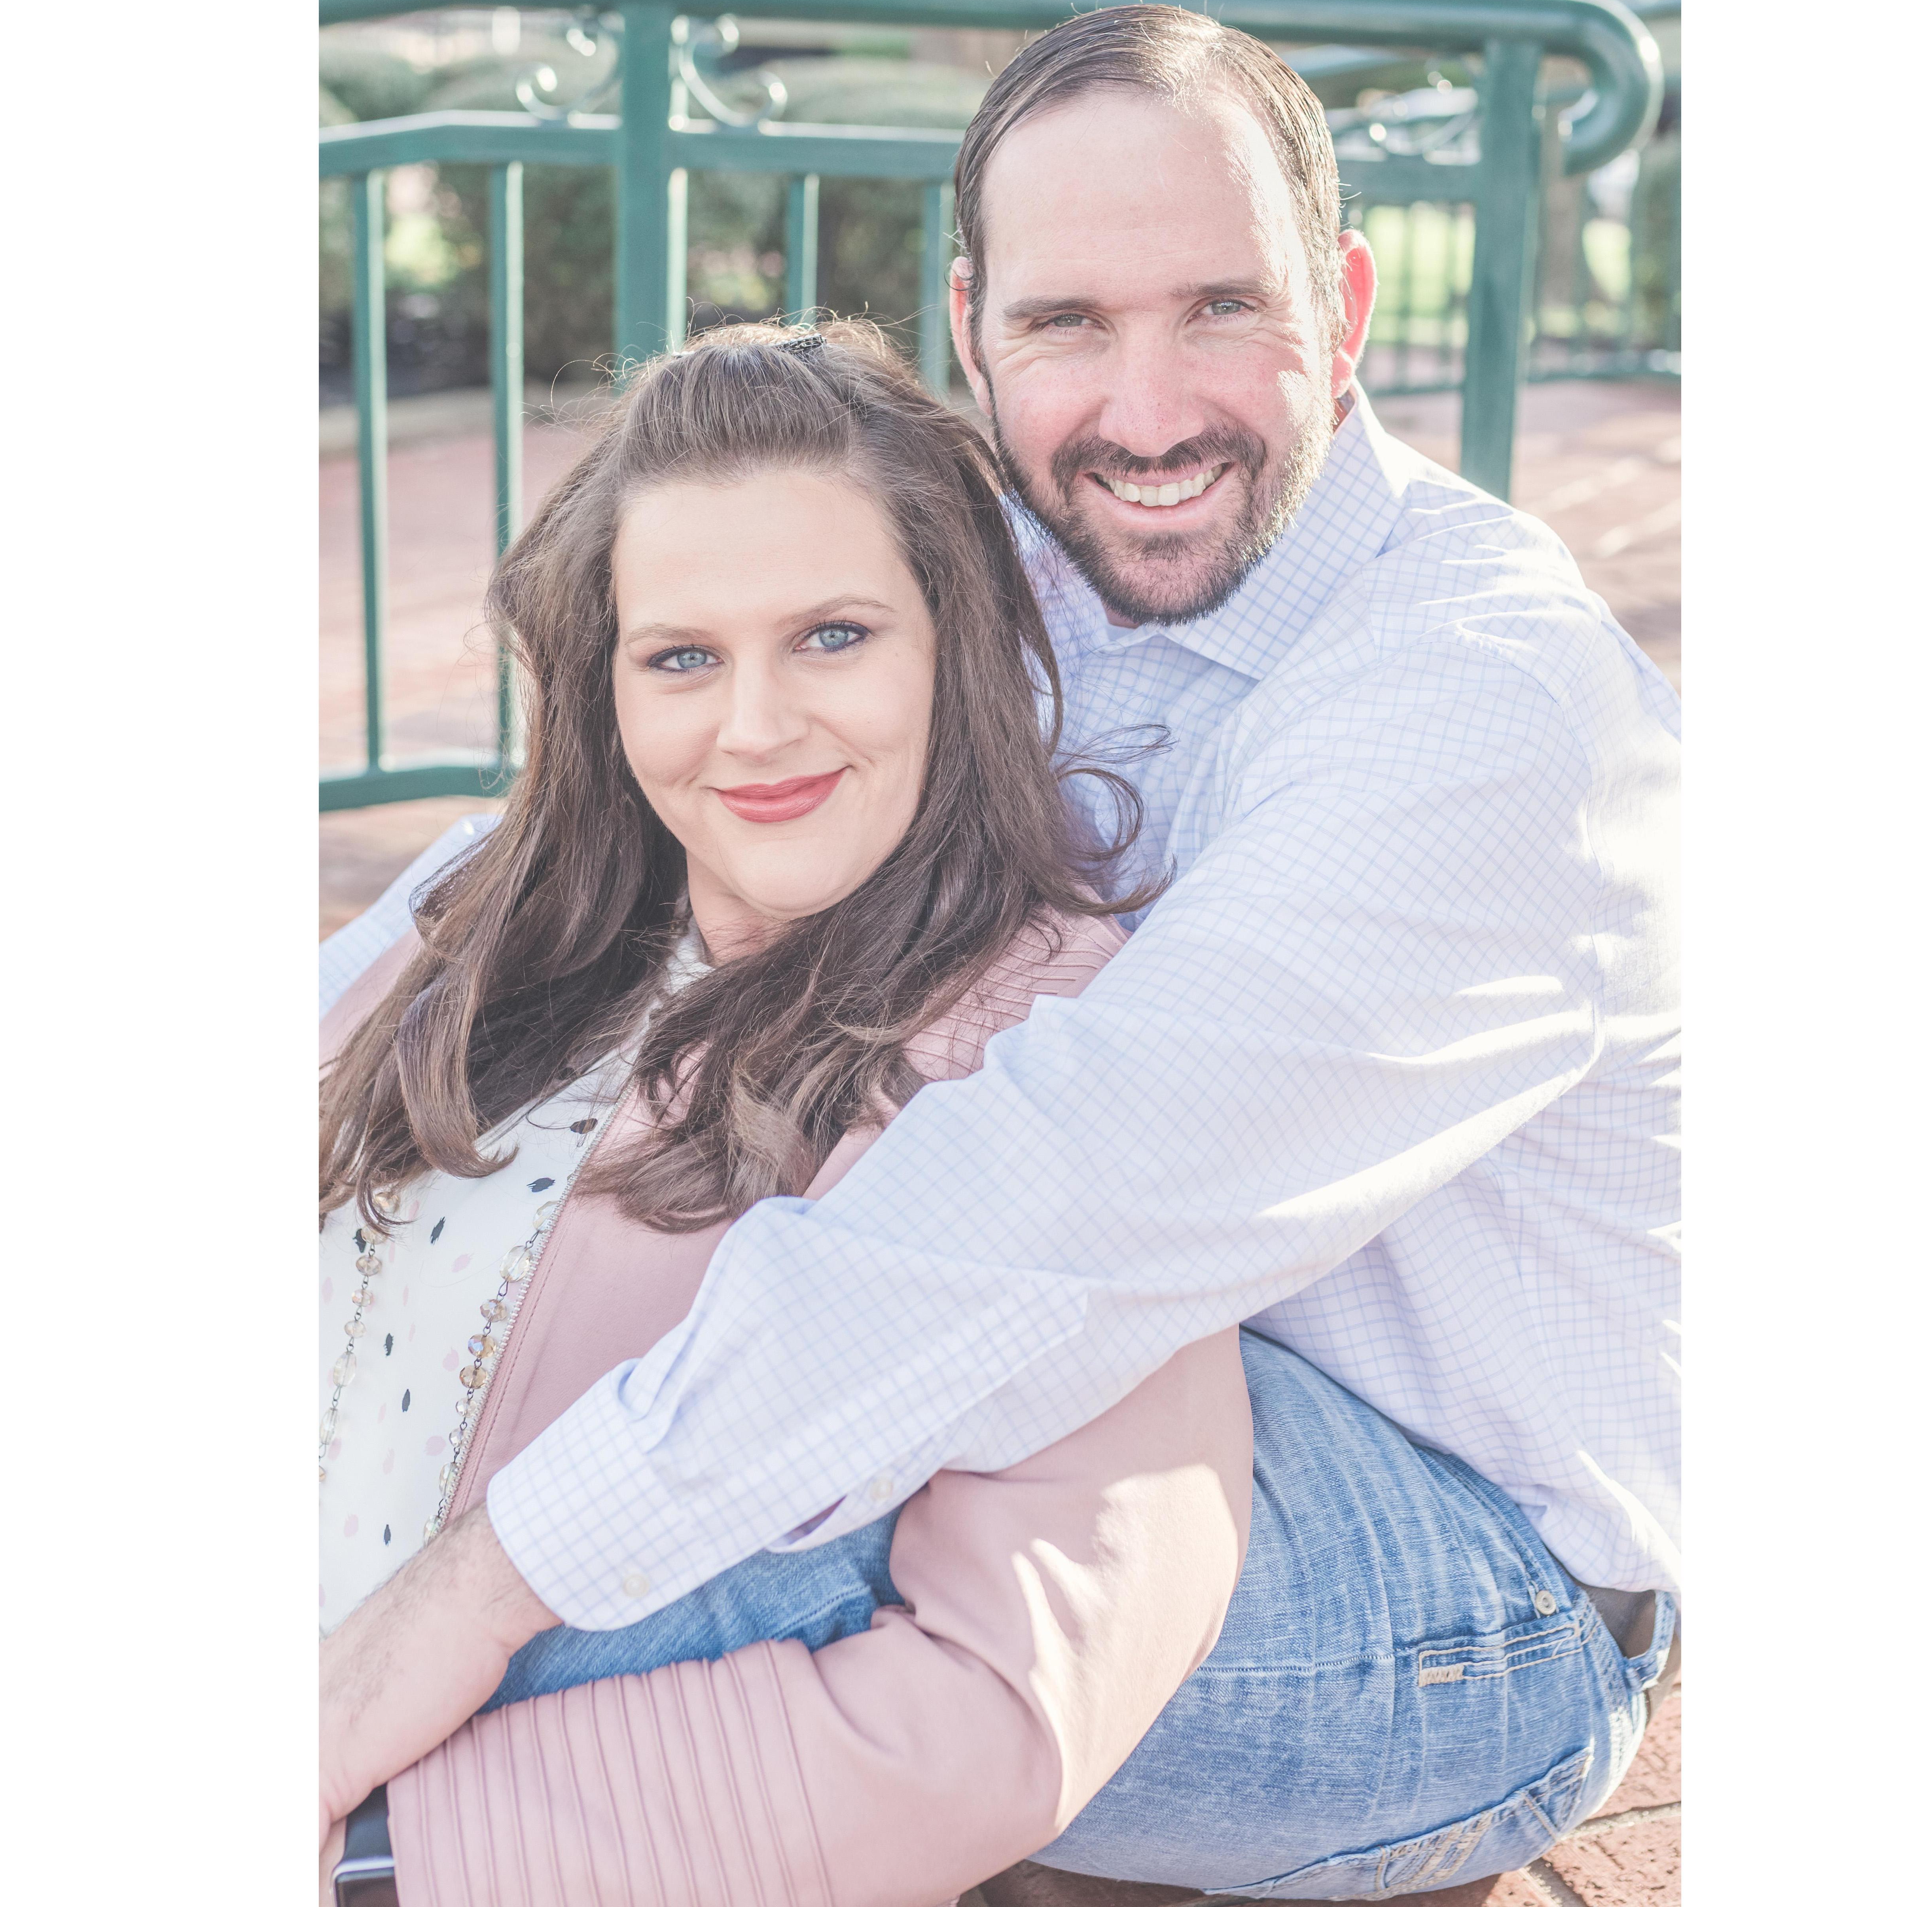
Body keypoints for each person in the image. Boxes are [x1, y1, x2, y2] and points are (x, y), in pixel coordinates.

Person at [325, 1, 1680, 1901]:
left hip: (1464, 1588)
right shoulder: (1027, 552)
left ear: (1349, 309)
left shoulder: (1479, 710)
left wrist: (456, 1603)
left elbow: (1052, 1207)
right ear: (971, 329)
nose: (1144, 411)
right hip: (1139, 1361)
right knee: (530, 1286)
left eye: (1221, 307)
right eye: (1065, 324)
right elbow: (619, 820)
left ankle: (381, 1837)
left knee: (721, 1498)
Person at [318, 320, 1256, 1905]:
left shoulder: (1042, 1044)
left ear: (953, 643)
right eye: (680, 656)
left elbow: (1004, 1688)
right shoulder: (497, 903)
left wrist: (392, 1859)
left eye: (829, 635)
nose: (751, 726)